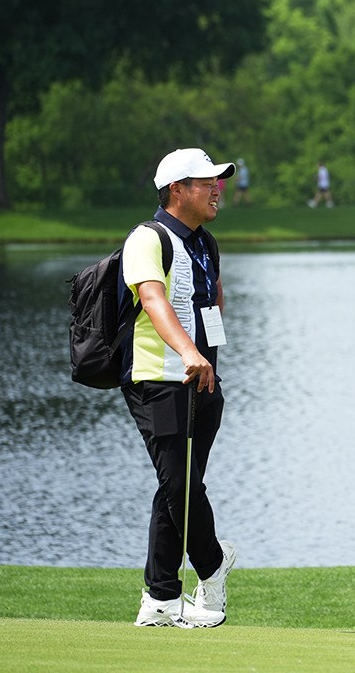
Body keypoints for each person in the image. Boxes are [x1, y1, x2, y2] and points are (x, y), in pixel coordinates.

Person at [120, 148, 238, 629]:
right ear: (176, 190)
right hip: (160, 380)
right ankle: (212, 564)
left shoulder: (206, 242)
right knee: (179, 484)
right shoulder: (146, 239)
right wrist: (189, 351)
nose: (217, 189)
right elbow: (152, 299)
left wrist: (207, 357)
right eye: (206, 182)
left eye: (218, 181)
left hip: (204, 381)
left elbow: (214, 299)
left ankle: (162, 599)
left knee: (177, 488)